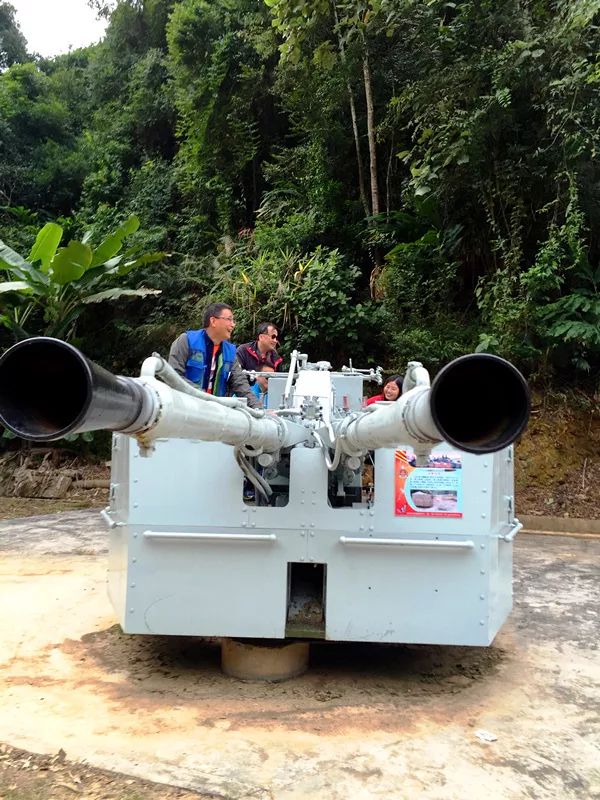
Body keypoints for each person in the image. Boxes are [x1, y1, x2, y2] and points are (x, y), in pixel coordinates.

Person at [168, 302, 260, 408]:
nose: (233, 325)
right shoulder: (186, 341)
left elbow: (240, 383)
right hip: (186, 407)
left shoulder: (230, 352)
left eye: (233, 320)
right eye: (229, 319)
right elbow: (173, 376)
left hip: (215, 411)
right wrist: (203, 396)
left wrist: (258, 408)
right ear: (213, 321)